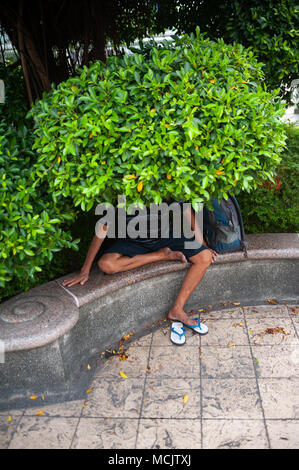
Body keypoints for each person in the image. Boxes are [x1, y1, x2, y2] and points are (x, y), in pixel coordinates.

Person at [62, 202, 217, 329]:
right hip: (133, 241)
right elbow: (102, 229)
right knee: (106, 264)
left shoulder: (163, 178)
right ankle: (162, 255)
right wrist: (85, 270)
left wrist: (202, 244)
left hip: (166, 235)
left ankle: (177, 309)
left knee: (204, 257)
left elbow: (185, 208)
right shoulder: (121, 191)